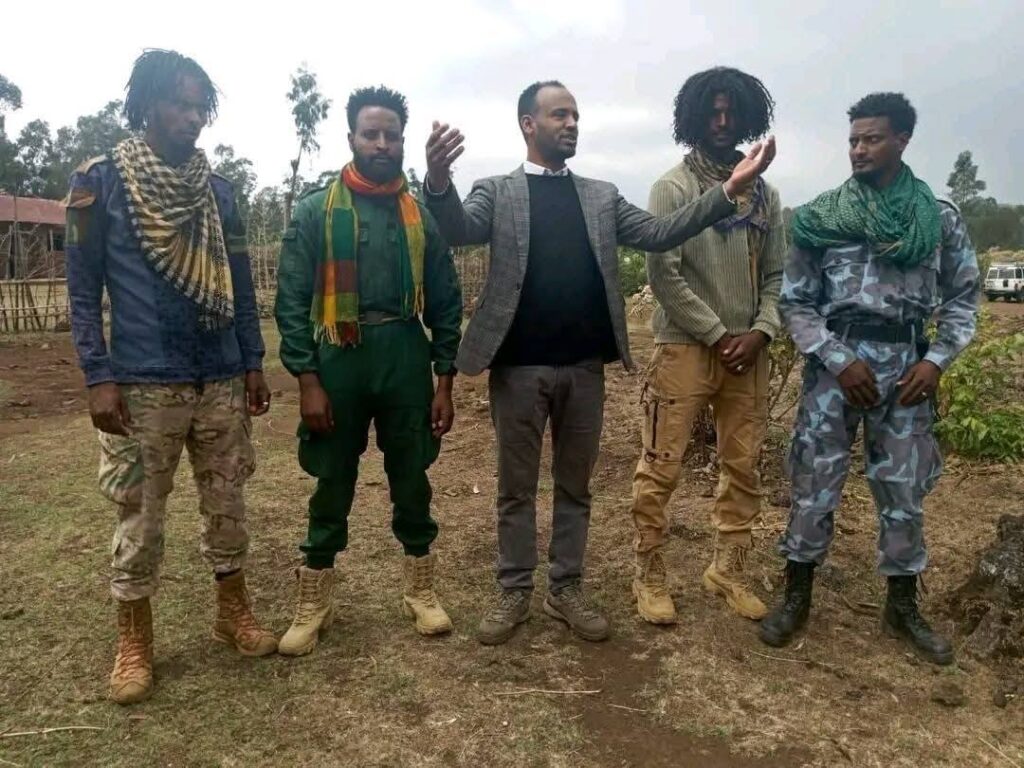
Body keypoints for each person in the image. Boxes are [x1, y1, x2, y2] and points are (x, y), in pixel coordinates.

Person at [424, 80, 775, 645]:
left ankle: (566, 589)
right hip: (517, 369)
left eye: (576, 116)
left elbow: (660, 233)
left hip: (584, 370)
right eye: (559, 115)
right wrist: (439, 182)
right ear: (528, 124)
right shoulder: (498, 191)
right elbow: (456, 230)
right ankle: (514, 590)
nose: (571, 124)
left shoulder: (600, 196)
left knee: (575, 487)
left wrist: (729, 190)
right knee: (516, 489)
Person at [65, 49, 275, 705]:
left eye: (199, 107)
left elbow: (241, 287)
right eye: (179, 104)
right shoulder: (99, 183)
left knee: (228, 504)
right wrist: (98, 375)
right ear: (147, 104)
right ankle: (134, 642)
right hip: (141, 384)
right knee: (139, 515)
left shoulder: (219, 194)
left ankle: (232, 612)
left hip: (219, 377)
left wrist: (251, 361)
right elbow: (82, 293)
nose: (191, 117)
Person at [760, 92, 979, 665]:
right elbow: (796, 302)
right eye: (854, 140)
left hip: (908, 372)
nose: (858, 149)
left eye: (872, 139)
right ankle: (796, 596)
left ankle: (902, 607)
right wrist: (838, 358)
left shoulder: (937, 217)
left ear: (902, 140)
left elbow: (963, 299)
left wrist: (936, 361)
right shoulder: (823, 217)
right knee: (813, 484)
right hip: (834, 373)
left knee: (904, 491)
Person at [274, 86, 463, 656]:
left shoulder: (420, 216)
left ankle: (421, 590)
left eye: (391, 135)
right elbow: (291, 301)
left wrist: (445, 380)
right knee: (332, 478)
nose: (382, 144)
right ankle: (314, 600)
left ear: (402, 141)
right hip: (340, 355)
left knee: (412, 476)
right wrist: (308, 380)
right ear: (352, 138)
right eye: (371, 134)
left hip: (404, 352)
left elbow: (446, 301)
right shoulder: (315, 211)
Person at [630, 67, 785, 625]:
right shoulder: (673, 188)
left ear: (747, 117)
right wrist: (719, 335)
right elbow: (664, 275)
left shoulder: (765, 194)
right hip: (685, 350)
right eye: (712, 112)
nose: (722, 122)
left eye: (731, 112)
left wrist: (761, 331)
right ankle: (649, 573)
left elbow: (777, 276)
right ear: (693, 117)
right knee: (660, 466)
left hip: (749, 353)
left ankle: (728, 570)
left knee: (743, 466)